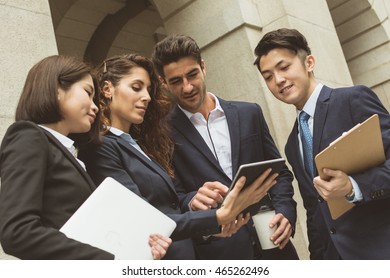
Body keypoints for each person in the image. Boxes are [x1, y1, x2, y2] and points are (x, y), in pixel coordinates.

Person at [79, 53, 278, 260]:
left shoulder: (141, 147)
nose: (146, 96)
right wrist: (217, 217)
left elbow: (171, 208)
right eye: (136, 87)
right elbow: (143, 220)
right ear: (107, 89)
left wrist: (205, 220)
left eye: (148, 89)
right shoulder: (100, 147)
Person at [0, 55, 171, 260]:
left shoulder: (71, 153)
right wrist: (109, 260)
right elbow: (17, 232)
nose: (96, 106)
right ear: (56, 90)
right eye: (88, 93)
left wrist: (140, 249)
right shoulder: (28, 136)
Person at [151, 35, 299, 260]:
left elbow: (280, 173)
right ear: (163, 83)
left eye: (192, 75)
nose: (187, 87)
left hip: (274, 244)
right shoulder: (162, 135)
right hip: (221, 254)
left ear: (203, 67)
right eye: (176, 81)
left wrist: (285, 212)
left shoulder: (250, 113)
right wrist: (191, 200)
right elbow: (174, 198)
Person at [253, 28, 390, 259]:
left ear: (309, 62)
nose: (278, 80)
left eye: (284, 67)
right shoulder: (291, 144)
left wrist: (353, 186)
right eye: (268, 76)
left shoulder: (353, 99)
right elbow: (314, 209)